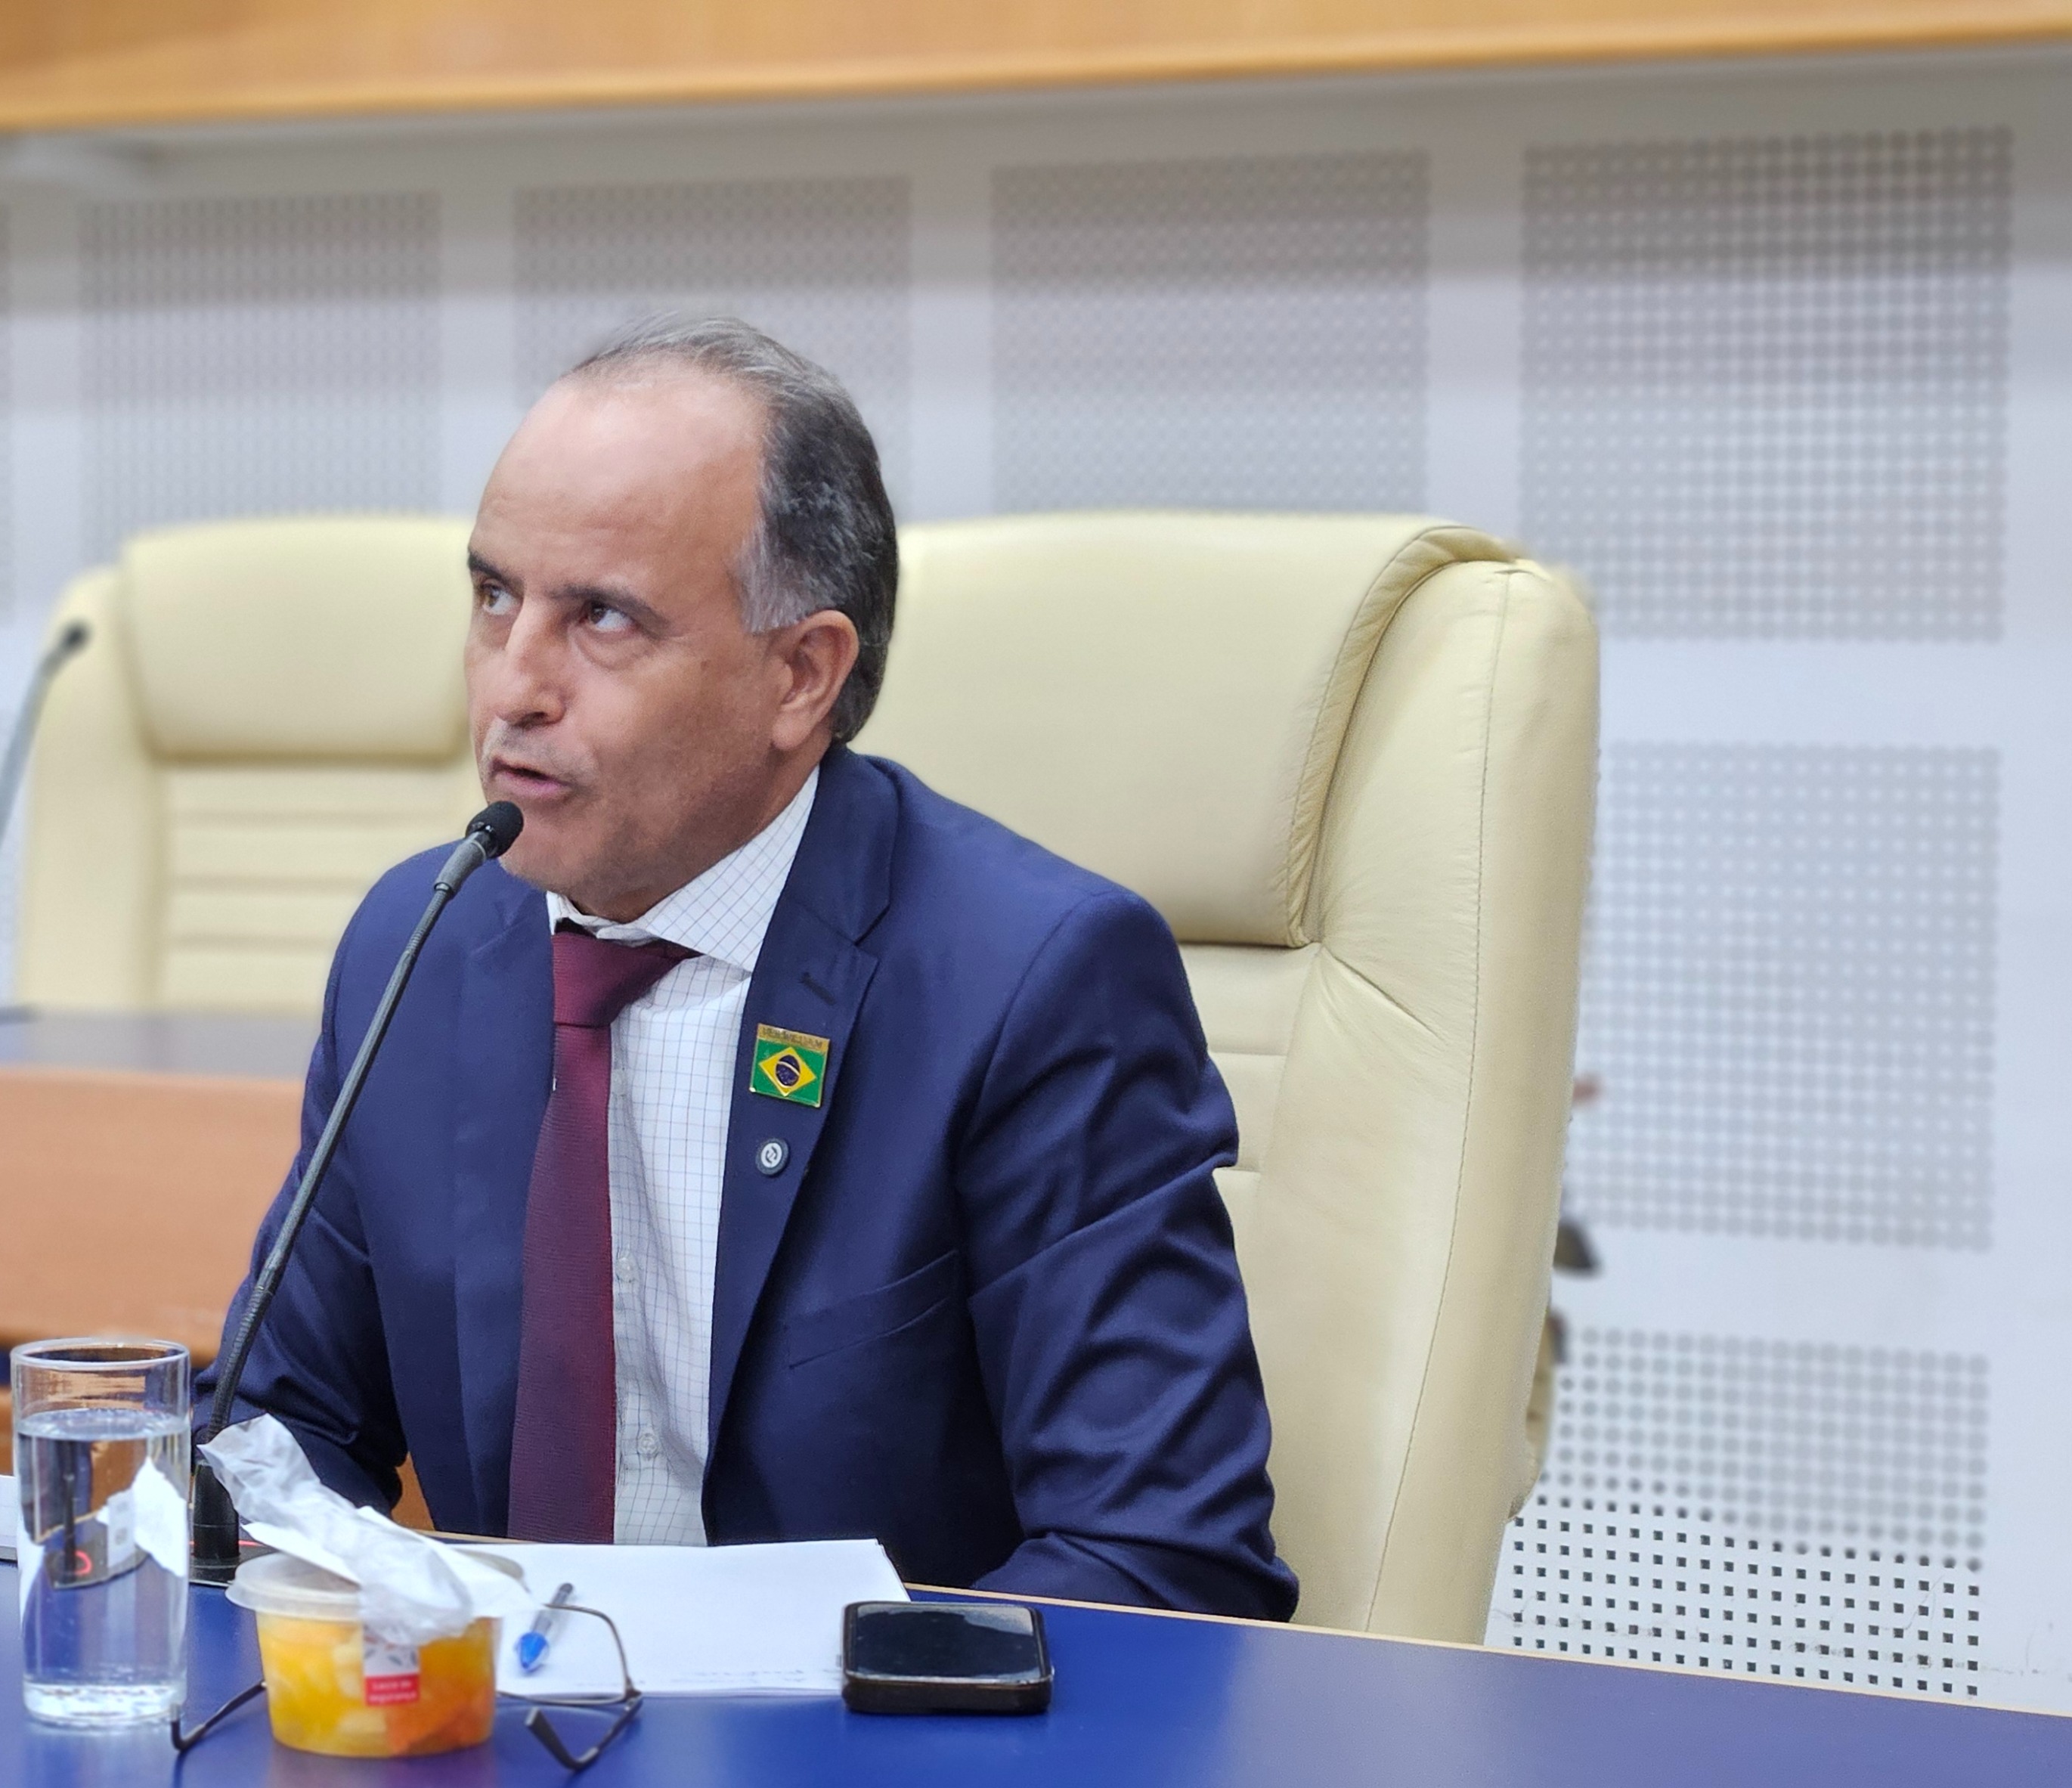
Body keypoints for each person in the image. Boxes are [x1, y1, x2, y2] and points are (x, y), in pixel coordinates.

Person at [216, 315, 1296, 1616]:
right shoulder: (422, 942)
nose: (513, 686)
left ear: (800, 676)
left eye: (601, 618)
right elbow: (276, 1439)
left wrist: (794, 1716)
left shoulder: (1034, 984)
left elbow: (1160, 1561)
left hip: (866, 1735)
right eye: (495, 596)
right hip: (504, 1724)